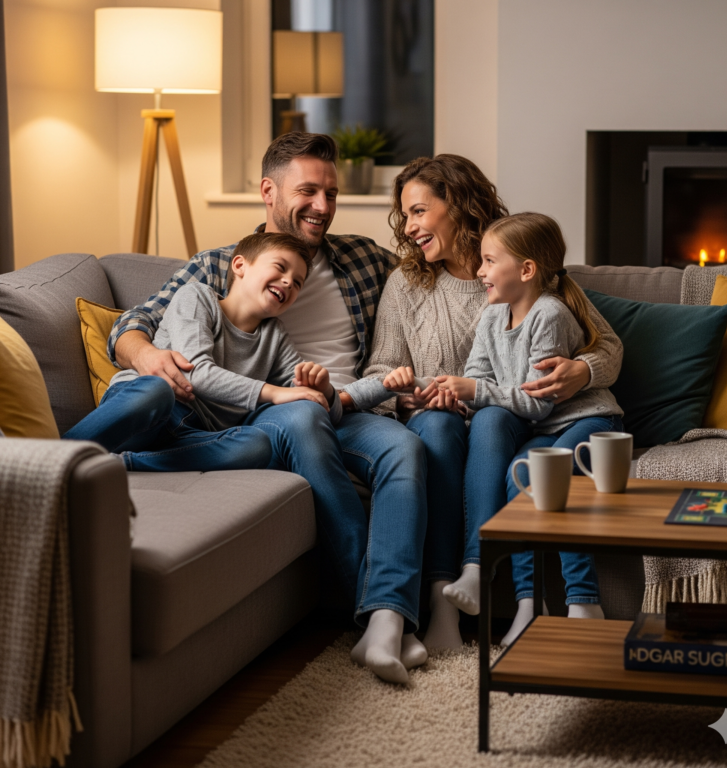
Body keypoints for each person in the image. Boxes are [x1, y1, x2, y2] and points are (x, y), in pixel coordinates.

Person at [105, 132, 428, 685]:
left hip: (352, 407)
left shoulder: (364, 259)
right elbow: (128, 325)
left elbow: (439, 273)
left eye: (331, 193)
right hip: (270, 410)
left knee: (407, 448)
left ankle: (387, 616)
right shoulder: (216, 267)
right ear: (268, 191)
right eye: (308, 191)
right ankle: (365, 603)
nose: (323, 207)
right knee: (300, 416)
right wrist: (151, 356)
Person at [343, 156, 623, 649]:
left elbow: (608, 346)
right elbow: (379, 371)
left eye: (418, 212)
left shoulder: (525, 276)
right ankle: (443, 608)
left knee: (490, 419)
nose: (408, 229)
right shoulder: (406, 285)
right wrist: (410, 399)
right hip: (446, 420)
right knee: (437, 427)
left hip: (509, 418)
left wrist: (582, 371)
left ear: (457, 206)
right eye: (404, 215)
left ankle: (492, 588)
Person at [430, 212, 624, 646]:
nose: (479, 271)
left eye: (488, 261)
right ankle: (528, 606)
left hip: (589, 420)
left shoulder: (550, 313)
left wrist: (478, 389)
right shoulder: (491, 317)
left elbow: (537, 401)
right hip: (546, 428)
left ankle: (583, 601)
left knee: (544, 477)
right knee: (521, 479)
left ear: (527, 270)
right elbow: (478, 378)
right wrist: (446, 391)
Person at [65, 232, 343, 470]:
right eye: (280, 268)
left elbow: (308, 398)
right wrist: (274, 391)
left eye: (297, 283)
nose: (287, 282)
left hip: (189, 433)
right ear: (240, 265)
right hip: (144, 411)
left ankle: (124, 463)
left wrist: (320, 389)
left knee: (256, 444)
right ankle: (56, 455)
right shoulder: (197, 296)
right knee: (157, 389)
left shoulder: (276, 336)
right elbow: (195, 373)